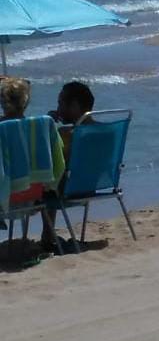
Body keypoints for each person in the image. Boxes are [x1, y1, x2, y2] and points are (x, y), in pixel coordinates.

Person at [42, 81, 94, 251]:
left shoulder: (66, 134)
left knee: (45, 179)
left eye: (60, 103)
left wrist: (47, 125)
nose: (58, 108)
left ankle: (47, 236)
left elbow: (48, 161)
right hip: (93, 186)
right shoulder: (105, 130)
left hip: (68, 190)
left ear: (74, 106)